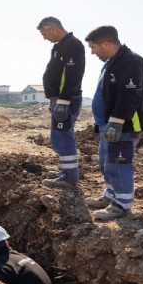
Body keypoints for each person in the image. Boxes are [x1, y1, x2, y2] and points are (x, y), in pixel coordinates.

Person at [83, 26, 143, 220]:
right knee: (107, 163)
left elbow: (131, 93)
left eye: (93, 47)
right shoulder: (112, 62)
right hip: (109, 123)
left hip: (123, 125)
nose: (92, 52)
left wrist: (117, 120)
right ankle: (111, 196)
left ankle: (121, 205)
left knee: (119, 164)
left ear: (106, 44)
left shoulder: (131, 61)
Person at [36, 17, 86, 190]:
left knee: (63, 136)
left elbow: (73, 75)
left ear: (53, 29)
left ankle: (69, 177)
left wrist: (63, 102)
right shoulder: (59, 47)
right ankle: (65, 171)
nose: (44, 37)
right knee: (59, 136)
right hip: (59, 98)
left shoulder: (72, 45)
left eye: (44, 33)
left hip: (66, 99)